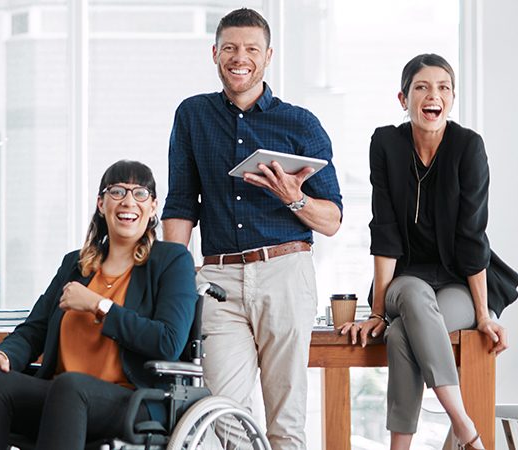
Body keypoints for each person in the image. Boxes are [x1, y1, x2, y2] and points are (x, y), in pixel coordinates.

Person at [160, 8, 343, 449]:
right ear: (215, 54)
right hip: (219, 280)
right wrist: (176, 275)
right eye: (230, 48)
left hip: (285, 272)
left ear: (268, 56)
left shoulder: (300, 123)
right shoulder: (193, 115)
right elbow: (181, 201)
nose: (239, 58)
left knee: (286, 419)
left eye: (251, 49)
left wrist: (294, 197)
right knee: (222, 411)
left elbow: (333, 220)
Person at [339, 53, 518, 450]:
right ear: (403, 99)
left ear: (452, 98)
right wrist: (377, 311)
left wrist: (483, 314)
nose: (432, 95)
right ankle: (465, 426)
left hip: (458, 281)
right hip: (405, 281)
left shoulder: (468, 147)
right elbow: (384, 230)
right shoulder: (386, 144)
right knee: (413, 296)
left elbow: (472, 236)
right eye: (421, 87)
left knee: (402, 333)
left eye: (443, 87)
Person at [0, 160, 198, 449]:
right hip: (62, 392)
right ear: (101, 204)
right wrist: (4, 355)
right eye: (117, 192)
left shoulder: (172, 261)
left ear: (153, 207)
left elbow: (168, 342)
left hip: (131, 398)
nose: (128, 201)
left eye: (140, 193)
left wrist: (99, 305)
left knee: (70, 386)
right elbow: (35, 329)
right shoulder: (75, 264)